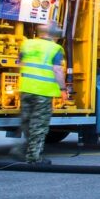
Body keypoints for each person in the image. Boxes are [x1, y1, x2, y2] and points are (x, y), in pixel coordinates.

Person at [16, 21, 67, 165]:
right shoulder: (55, 48)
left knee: (27, 122)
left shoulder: (27, 44)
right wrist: (63, 89)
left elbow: (19, 63)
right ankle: (34, 158)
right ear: (54, 35)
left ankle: (23, 149)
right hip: (42, 93)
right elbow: (57, 70)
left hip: (26, 89)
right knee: (39, 125)